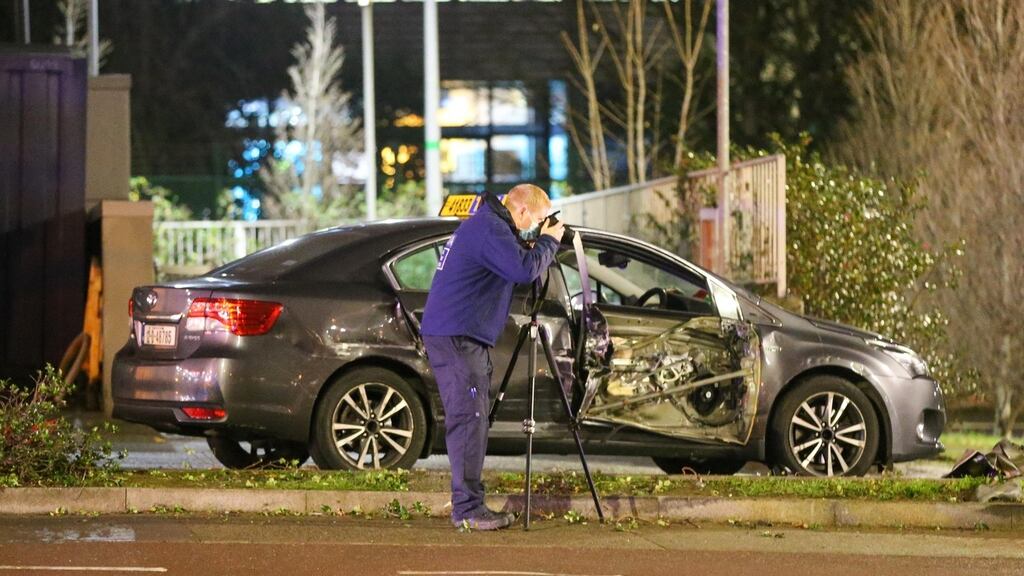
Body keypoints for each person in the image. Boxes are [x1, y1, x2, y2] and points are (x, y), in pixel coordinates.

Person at [420, 184, 564, 531]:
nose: (541, 226)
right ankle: (468, 509)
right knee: (469, 421)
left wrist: (537, 242)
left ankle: (469, 504)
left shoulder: (489, 226)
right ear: (524, 213)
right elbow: (523, 270)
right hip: (458, 337)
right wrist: (549, 242)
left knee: (473, 419)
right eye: (541, 220)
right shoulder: (490, 229)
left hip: (460, 334)